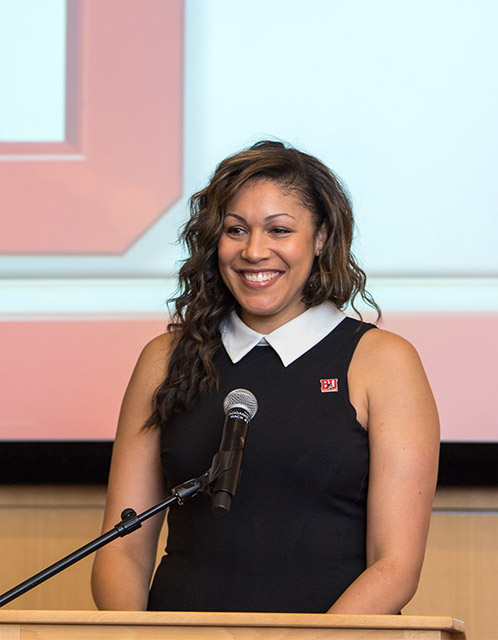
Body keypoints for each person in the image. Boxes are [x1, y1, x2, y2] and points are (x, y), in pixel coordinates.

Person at [91, 140, 440, 614]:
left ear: (320, 239)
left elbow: (394, 565)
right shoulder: (164, 358)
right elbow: (123, 547)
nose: (255, 251)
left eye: (279, 230)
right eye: (236, 230)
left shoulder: (383, 361)